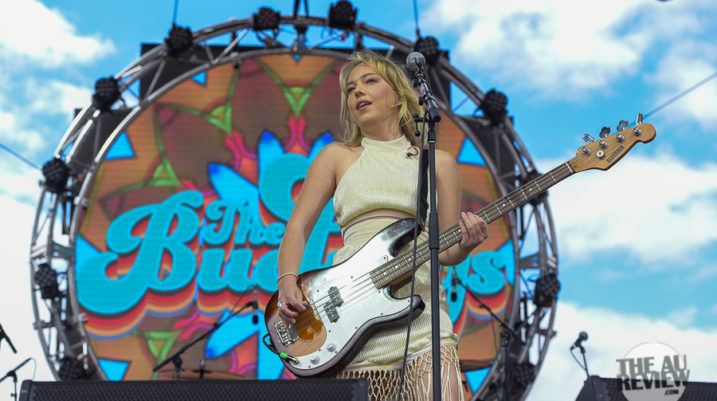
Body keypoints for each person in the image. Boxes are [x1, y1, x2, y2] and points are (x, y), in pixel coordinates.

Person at [275, 50, 489, 401]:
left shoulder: (439, 163)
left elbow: (446, 252)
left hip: (423, 318)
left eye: (370, 81)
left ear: (399, 96)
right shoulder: (336, 157)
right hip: (352, 319)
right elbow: (297, 227)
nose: (358, 91)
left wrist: (467, 243)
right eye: (350, 89)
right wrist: (287, 281)